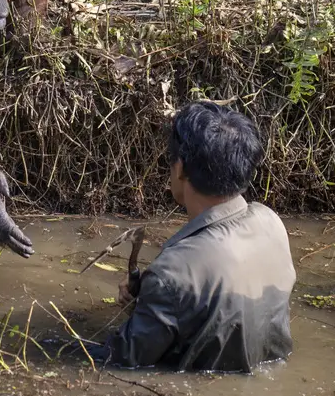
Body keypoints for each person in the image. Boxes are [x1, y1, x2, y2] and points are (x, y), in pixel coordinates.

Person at [86, 101, 296, 373]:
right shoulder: (271, 222)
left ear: (181, 168)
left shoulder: (173, 273)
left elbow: (123, 359)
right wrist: (148, 300)